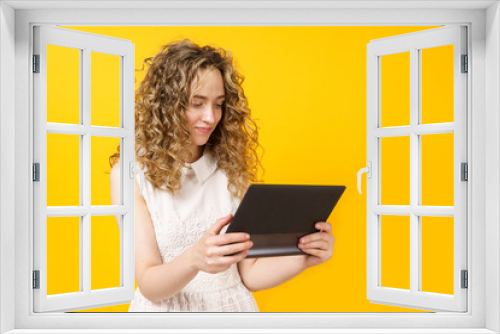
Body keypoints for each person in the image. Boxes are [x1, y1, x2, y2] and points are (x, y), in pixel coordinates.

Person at [109, 39, 335, 312]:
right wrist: (195, 259)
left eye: (218, 104)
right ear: (166, 105)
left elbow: (249, 273)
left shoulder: (230, 168)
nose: (210, 117)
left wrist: (305, 257)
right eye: (197, 103)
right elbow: (149, 284)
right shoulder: (130, 174)